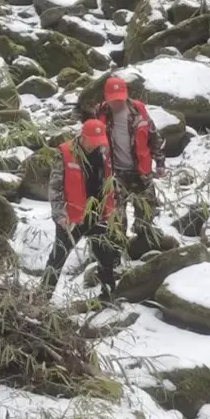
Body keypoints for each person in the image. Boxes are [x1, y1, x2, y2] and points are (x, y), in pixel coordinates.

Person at [40, 119, 120, 300]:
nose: (96, 145)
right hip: (71, 216)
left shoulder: (104, 151)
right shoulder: (65, 153)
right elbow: (55, 187)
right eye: (93, 141)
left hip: (97, 213)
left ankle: (108, 295)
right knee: (57, 258)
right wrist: (59, 214)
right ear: (83, 137)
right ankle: (41, 298)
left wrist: (113, 207)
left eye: (99, 141)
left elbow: (110, 181)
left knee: (105, 256)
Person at [94, 77, 166, 250]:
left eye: (120, 98)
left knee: (146, 213)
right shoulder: (101, 113)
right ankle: (118, 252)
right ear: (106, 97)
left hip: (141, 171)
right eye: (114, 99)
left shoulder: (138, 110)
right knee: (116, 218)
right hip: (115, 173)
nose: (118, 102)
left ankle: (145, 248)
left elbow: (154, 136)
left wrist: (160, 162)